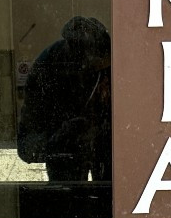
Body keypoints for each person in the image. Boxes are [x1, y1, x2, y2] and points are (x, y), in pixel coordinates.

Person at [17, 16, 112, 182]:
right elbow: (27, 145)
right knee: (67, 196)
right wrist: (62, 136)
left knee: (109, 194)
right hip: (65, 150)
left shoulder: (108, 67)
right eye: (98, 66)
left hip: (104, 148)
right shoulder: (48, 68)